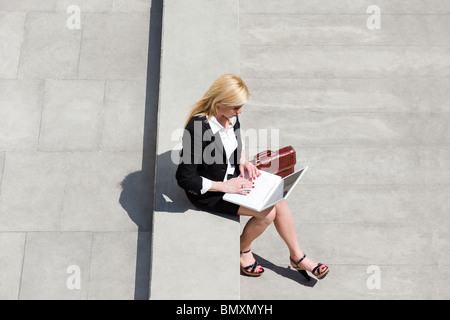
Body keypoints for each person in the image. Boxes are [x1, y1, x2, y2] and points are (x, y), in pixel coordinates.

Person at [176, 74, 329, 280]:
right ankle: (243, 250)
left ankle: (297, 256)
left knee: (279, 199)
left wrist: (243, 161)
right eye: (236, 107)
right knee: (267, 213)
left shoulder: (231, 116)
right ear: (219, 103)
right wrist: (225, 186)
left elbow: (236, 143)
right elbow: (185, 178)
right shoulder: (197, 129)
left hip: (235, 179)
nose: (240, 112)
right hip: (212, 191)